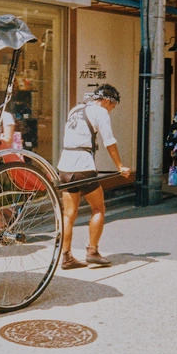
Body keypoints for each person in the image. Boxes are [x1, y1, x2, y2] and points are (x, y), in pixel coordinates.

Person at [56, 84, 130, 269]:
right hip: (83, 166)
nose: (111, 111)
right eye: (112, 107)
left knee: (68, 214)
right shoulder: (100, 112)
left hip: (64, 166)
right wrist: (120, 166)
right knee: (98, 208)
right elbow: (109, 142)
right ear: (107, 101)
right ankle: (93, 251)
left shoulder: (76, 109)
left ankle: (66, 256)